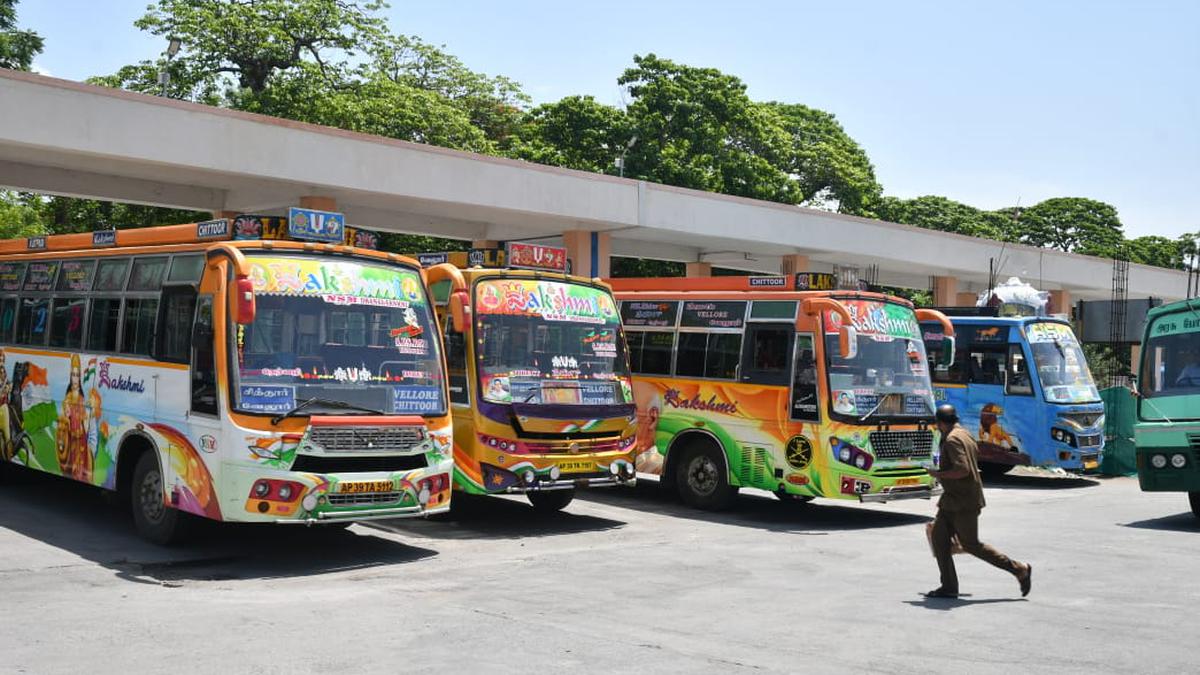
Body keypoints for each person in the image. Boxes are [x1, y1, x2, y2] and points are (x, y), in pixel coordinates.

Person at [925, 403, 1032, 599]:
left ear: (940, 423)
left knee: (971, 545)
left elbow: (963, 469)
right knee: (939, 539)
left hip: (964, 501)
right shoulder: (965, 433)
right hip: (951, 500)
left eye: (937, 425)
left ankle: (1018, 569)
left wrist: (938, 473)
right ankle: (949, 587)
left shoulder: (952, 440)